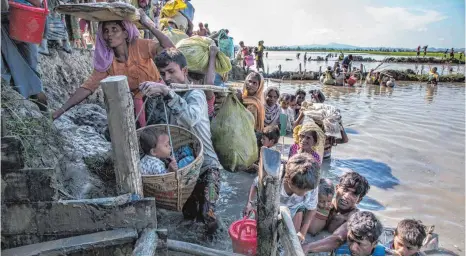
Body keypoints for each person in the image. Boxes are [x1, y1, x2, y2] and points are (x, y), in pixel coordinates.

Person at [140, 47, 222, 235]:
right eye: (162, 74)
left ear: (184, 71)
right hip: (183, 170)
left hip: (207, 168)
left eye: (171, 71)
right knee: (188, 215)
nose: (167, 78)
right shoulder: (164, 94)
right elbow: (157, 129)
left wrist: (167, 93)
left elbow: (190, 118)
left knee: (209, 213)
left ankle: (215, 245)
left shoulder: (196, 94)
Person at [52, 11, 176, 127]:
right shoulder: (107, 61)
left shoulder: (140, 46)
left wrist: (149, 25)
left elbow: (170, 49)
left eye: (114, 29)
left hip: (157, 97)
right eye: (105, 30)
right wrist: (60, 111)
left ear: (126, 33)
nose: (109, 34)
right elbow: (87, 87)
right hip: (133, 104)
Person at [244, 153, 320, 243]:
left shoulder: (311, 184)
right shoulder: (273, 177)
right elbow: (255, 184)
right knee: (260, 234)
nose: (306, 193)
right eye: (302, 190)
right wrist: (249, 203)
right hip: (268, 207)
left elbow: (312, 209)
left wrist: (302, 233)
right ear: (289, 180)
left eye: (308, 190)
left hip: (290, 211)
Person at [302, 171, 371, 254]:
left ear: (359, 200)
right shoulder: (322, 201)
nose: (347, 196)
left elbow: (338, 239)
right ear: (337, 187)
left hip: (326, 248)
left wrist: (308, 247)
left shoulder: (353, 217)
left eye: (354, 194)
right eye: (345, 190)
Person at [1, 0, 49, 111]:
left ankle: (35, 100)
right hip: (19, 20)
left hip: (22, 20)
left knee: (28, 64)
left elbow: (38, 3)